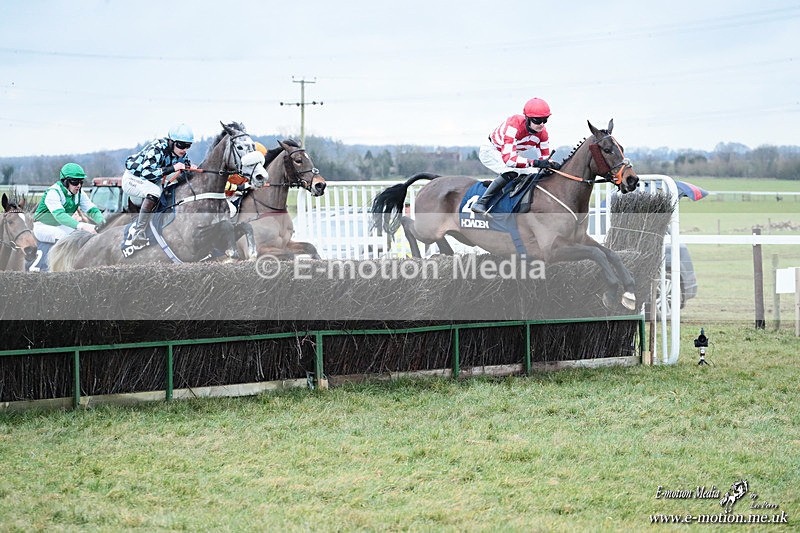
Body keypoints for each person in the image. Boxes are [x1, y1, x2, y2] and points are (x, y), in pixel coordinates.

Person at [472, 97, 562, 214]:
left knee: (534, 174)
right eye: (537, 120)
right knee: (511, 171)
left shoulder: (543, 133)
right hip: (492, 150)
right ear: (527, 118)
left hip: (512, 154)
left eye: (545, 120)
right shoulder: (514, 125)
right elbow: (509, 160)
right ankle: (481, 203)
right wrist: (535, 163)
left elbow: (544, 158)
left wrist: (552, 165)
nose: (541, 124)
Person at [122, 123, 198, 246]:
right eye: (181, 145)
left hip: (152, 180)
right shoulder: (157, 148)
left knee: (178, 180)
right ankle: (139, 231)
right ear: (171, 142)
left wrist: (191, 170)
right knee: (154, 192)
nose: (184, 150)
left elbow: (185, 170)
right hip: (134, 178)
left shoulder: (182, 154)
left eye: (188, 146)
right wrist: (173, 168)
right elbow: (147, 173)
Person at [33, 163, 106, 243]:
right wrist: (82, 225)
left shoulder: (80, 193)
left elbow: (92, 210)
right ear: (65, 181)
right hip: (43, 226)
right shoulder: (53, 192)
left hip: (61, 225)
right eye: (75, 182)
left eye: (81, 182)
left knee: (91, 232)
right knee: (63, 237)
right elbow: (60, 215)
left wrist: (104, 224)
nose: (79, 185)